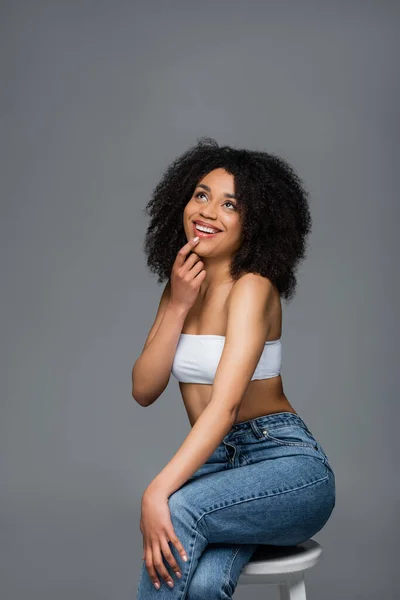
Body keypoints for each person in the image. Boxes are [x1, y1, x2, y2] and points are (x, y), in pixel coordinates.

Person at [133, 137, 336, 599]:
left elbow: (224, 408)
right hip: (217, 469)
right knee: (201, 583)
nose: (207, 211)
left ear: (254, 222)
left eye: (229, 205)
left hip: (284, 464)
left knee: (177, 509)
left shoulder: (254, 287)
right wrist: (177, 305)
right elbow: (144, 388)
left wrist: (155, 491)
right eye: (201, 195)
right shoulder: (179, 285)